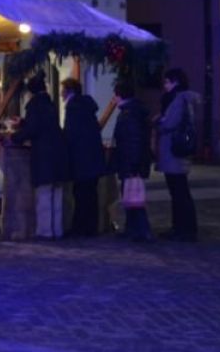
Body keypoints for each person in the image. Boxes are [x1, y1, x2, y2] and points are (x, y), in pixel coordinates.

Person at [11, 73, 69, 240]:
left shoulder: (35, 105)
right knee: (56, 193)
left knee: (44, 193)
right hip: (58, 153)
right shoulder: (50, 104)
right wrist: (25, 123)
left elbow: (33, 129)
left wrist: (15, 137)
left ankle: (45, 231)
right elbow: (43, 125)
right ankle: (57, 229)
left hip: (44, 154)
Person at [156, 68, 199, 242]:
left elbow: (170, 123)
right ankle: (182, 227)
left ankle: (183, 228)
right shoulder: (183, 99)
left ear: (176, 82)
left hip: (174, 150)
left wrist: (159, 121)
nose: (165, 85)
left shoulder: (178, 99)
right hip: (177, 151)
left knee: (178, 192)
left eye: (167, 81)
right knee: (179, 191)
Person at [62, 78, 106, 237]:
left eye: (63, 90)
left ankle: (80, 227)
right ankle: (91, 227)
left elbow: (70, 134)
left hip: (81, 158)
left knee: (81, 194)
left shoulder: (73, 108)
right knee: (91, 193)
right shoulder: (87, 106)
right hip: (92, 156)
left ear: (69, 91)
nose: (61, 93)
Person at [112, 79, 154, 242]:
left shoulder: (129, 114)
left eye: (115, 95)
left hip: (130, 162)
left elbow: (134, 140)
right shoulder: (134, 111)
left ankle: (142, 230)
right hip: (132, 160)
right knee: (131, 197)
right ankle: (132, 229)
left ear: (119, 95)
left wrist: (133, 164)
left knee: (134, 197)